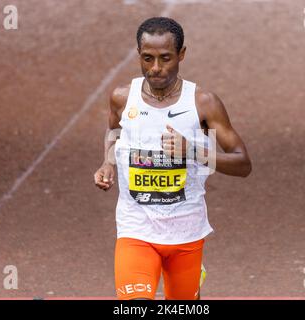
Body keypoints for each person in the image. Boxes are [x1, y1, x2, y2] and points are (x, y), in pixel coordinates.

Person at [93, 17, 252, 300]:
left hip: (186, 232)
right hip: (136, 228)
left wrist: (192, 151)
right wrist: (108, 162)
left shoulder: (203, 103)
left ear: (181, 55)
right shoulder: (122, 98)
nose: (155, 68)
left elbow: (242, 163)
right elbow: (114, 129)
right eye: (147, 58)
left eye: (165, 58)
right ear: (138, 55)